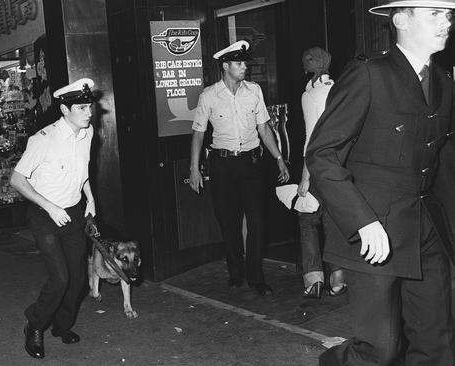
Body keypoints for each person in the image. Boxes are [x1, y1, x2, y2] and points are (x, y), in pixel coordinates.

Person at [306, 1, 455, 365]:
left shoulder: (445, 84)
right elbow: (322, 154)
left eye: (449, 14)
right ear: (401, 19)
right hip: (377, 229)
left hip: (425, 229)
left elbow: (443, 164)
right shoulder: (369, 74)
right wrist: (363, 220)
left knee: (438, 343)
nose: (447, 21)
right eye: (434, 13)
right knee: (381, 350)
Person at [188, 40, 290, 296]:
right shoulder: (209, 95)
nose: (244, 67)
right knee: (228, 221)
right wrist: (194, 169)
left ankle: (256, 277)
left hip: (252, 162)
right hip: (222, 164)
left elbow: (264, 128)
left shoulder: (254, 91)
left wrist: (278, 157)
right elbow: (198, 134)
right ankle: (236, 272)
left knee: (257, 221)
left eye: (244, 63)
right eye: (239, 63)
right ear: (225, 66)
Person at [10, 78, 98, 359]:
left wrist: (90, 197)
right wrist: (50, 207)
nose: (89, 113)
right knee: (60, 279)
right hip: (44, 214)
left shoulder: (88, 132)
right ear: (64, 109)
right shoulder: (42, 140)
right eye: (82, 108)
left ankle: (62, 326)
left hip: (73, 212)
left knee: (77, 280)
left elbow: (81, 171)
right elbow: (17, 180)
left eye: (89, 107)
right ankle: (35, 325)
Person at [297, 47, 347, 299]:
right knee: (333, 220)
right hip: (343, 165)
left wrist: (305, 177)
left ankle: (314, 278)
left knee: (307, 220)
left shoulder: (310, 95)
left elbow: (311, 139)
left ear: (308, 67)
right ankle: (338, 277)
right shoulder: (340, 89)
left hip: (319, 165)